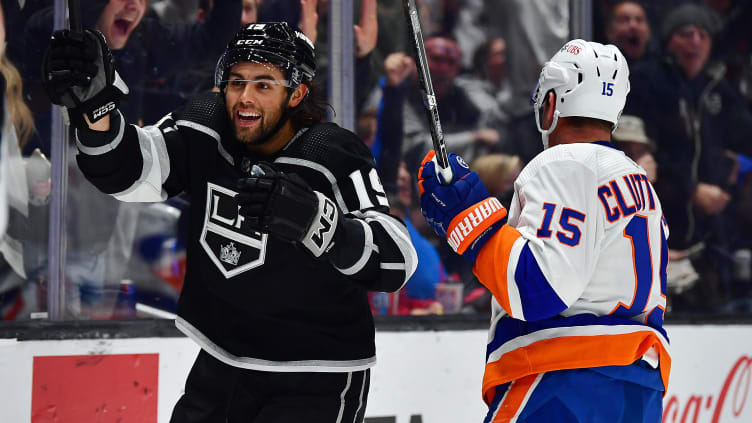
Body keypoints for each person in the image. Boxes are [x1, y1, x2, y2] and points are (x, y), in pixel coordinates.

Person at [42, 22, 417, 422]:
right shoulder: (207, 123)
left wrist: (318, 225)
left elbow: (398, 259)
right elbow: (128, 173)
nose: (244, 98)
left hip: (315, 376)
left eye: (263, 84)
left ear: (298, 93)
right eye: (237, 81)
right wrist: (96, 111)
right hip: (223, 362)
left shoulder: (331, 153)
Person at [418, 40, 670, 422]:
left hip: (567, 381)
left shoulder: (565, 162)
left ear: (551, 104)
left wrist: (468, 217)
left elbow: (539, 289)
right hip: (637, 389)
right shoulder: (637, 178)